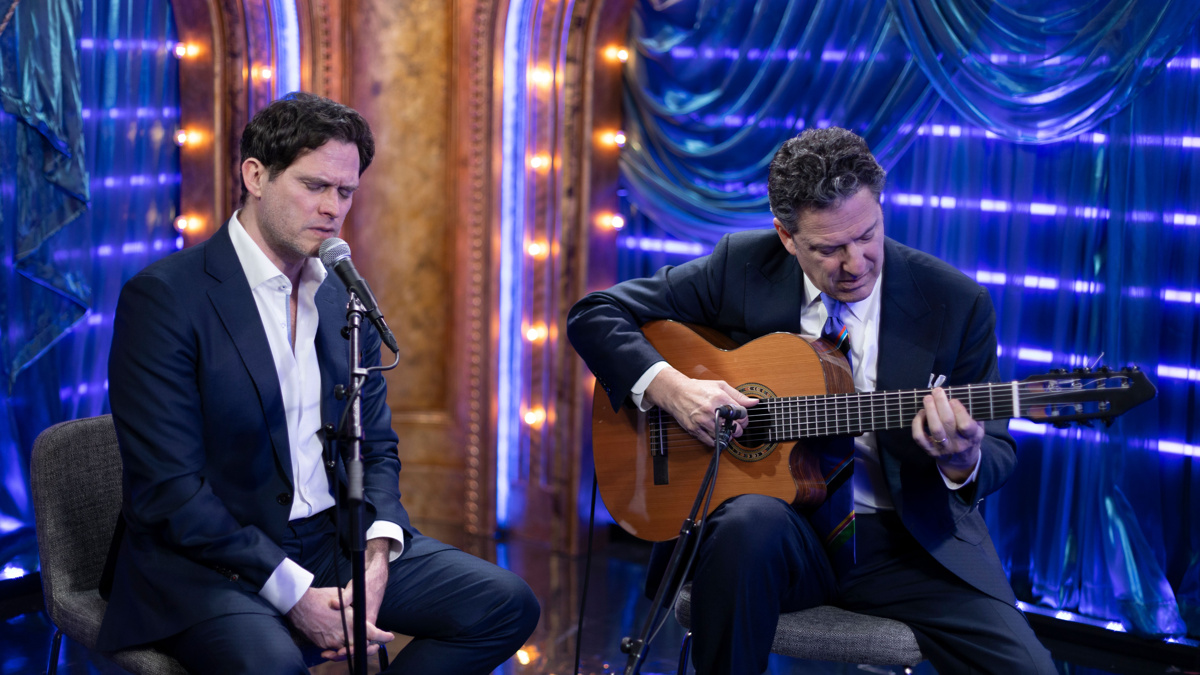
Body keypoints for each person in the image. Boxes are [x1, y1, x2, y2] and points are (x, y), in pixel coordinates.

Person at [567, 127, 1056, 674]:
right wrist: (674, 389)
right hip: (779, 538)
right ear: (786, 236)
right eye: (828, 248)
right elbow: (594, 313)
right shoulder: (742, 267)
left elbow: (997, 450)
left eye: (868, 235)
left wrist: (962, 461)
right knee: (749, 522)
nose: (856, 263)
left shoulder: (955, 302)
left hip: (905, 544)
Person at [97, 92, 539, 674]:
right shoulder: (166, 298)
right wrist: (294, 595)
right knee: (272, 665)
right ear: (255, 175)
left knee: (504, 605)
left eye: (346, 191)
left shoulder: (340, 293)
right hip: (207, 561)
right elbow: (169, 492)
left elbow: (375, 445)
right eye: (314, 186)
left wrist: (378, 549)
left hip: (333, 541)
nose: (333, 207)